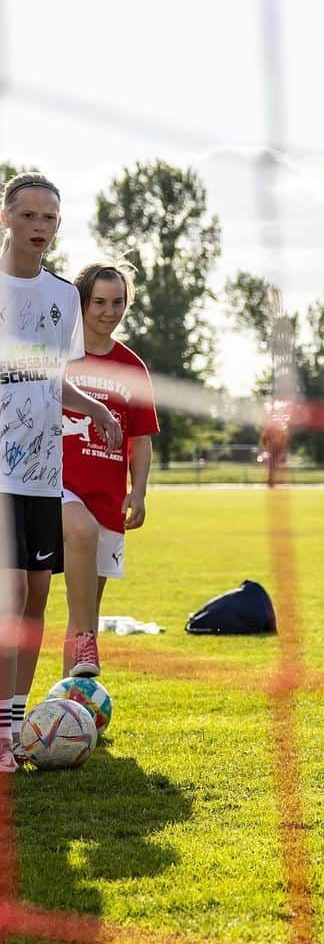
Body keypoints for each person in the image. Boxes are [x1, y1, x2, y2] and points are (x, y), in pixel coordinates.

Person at [0, 172, 121, 773]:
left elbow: (56, 379)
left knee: (37, 598)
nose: (40, 227)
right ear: (6, 219)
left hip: (43, 475)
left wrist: (93, 405)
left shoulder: (62, 298)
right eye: (28, 216)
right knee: (11, 594)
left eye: (50, 217)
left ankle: (19, 727)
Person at [61, 262, 160, 678]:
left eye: (117, 302)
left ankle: (72, 702)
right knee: (79, 533)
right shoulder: (58, 353)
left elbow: (141, 439)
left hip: (107, 498)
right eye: (99, 301)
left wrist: (137, 492)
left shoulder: (132, 367)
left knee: (86, 609)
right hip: (56, 488)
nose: (108, 311)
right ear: (82, 302)